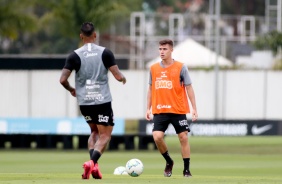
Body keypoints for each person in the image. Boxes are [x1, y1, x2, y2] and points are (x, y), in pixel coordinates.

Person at [59, 22, 126, 180]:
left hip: (84, 102)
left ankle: (94, 167)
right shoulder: (105, 53)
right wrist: (123, 78)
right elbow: (117, 76)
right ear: (95, 35)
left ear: (81, 36)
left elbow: (62, 80)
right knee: (105, 135)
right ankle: (92, 162)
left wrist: (71, 89)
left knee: (94, 132)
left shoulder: (74, 55)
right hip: (102, 100)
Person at [145, 39, 198, 177]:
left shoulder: (181, 67)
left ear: (171, 50)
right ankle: (169, 161)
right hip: (160, 109)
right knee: (157, 137)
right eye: (160, 49)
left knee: (183, 137)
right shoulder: (153, 68)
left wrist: (194, 108)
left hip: (178, 109)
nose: (162, 52)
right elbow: (150, 89)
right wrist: (148, 108)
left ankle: (186, 170)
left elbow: (189, 87)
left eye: (165, 49)